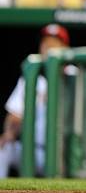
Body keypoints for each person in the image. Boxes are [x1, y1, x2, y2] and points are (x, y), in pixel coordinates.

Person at [0, 24, 70, 178]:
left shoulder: (74, 75)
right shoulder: (31, 77)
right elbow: (14, 115)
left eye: (54, 44)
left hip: (64, 155)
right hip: (32, 151)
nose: (48, 48)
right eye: (45, 44)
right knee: (3, 148)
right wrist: (9, 132)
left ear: (65, 48)